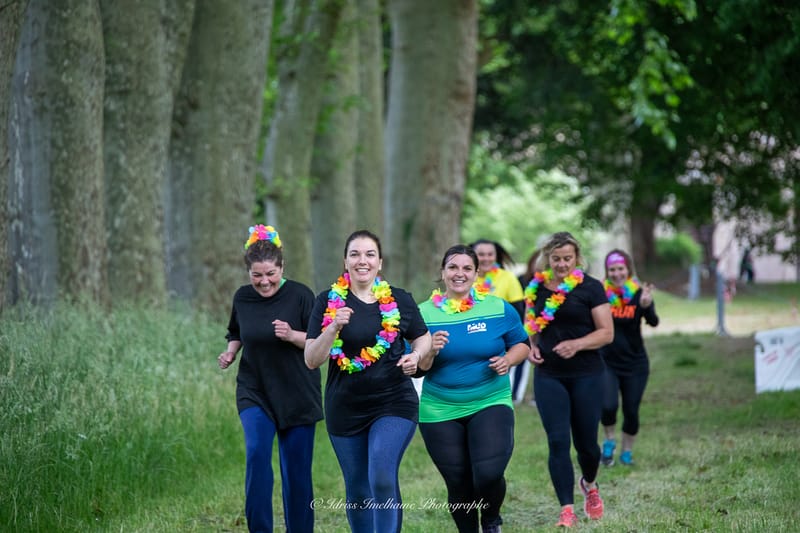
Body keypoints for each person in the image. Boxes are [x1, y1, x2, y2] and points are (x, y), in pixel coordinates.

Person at [304, 230, 432, 533]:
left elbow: (423, 337)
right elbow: (311, 359)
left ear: (380, 262)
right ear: (345, 261)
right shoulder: (326, 301)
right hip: (345, 406)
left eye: (369, 254)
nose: (363, 260)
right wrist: (333, 326)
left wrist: (416, 355)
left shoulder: (399, 299)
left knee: (382, 475)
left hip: (393, 401)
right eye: (356, 254)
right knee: (359, 489)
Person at [417, 244, 530, 533]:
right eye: (453, 267)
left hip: (490, 400)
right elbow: (415, 367)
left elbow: (522, 344)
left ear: (476, 273)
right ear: (442, 273)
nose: (459, 273)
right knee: (458, 482)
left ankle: (491, 518)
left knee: (488, 475)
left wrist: (507, 360)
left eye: (467, 268)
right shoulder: (423, 314)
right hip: (439, 407)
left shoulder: (497, 308)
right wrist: (429, 351)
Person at [218, 224, 322, 533]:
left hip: (297, 392)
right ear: (248, 272)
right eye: (256, 276)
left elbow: (320, 342)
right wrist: (230, 352)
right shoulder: (242, 298)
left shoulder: (302, 295)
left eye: (270, 274)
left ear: (282, 267)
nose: (264, 282)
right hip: (255, 390)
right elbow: (236, 331)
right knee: (257, 454)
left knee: (296, 473)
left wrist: (292, 335)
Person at [523, 232, 613, 528]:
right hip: (549, 374)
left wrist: (577, 344)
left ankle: (589, 483)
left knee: (587, 445)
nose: (561, 265)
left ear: (577, 259)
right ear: (547, 257)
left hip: (587, 373)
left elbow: (606, 332)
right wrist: (532, 346)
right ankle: (566, 508)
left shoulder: (591, 287)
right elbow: (531, 325)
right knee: (558, 441)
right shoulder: (534, 287)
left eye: (567, 259)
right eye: (556, 259)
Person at [599, 249, 659, 467]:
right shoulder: (600, 294)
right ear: (607, 272)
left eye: (620, 269)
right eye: (612, 269)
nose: (616, 274)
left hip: (636, 363)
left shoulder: (638, 293)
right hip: (606, 361)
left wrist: (646, 306)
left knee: (631, 409)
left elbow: (653, 322)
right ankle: (609, 442)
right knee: (607, 405)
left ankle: (627, 451)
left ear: (628, 270)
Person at [470, 239, 526, 401]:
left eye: (490, 254)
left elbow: (518, 311)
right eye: (481, 254)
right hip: (470, 334)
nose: (486, 258)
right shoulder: (466, 276)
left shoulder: (507, 278)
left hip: (500, 337)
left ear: (496, 256)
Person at [513, 248, 542, 405]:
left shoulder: (551, 285)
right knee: (520, 359)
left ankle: (538, 396)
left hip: (543, 326)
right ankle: (515, 394)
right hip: (523, 325)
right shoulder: (521, 280)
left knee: (540, 359)